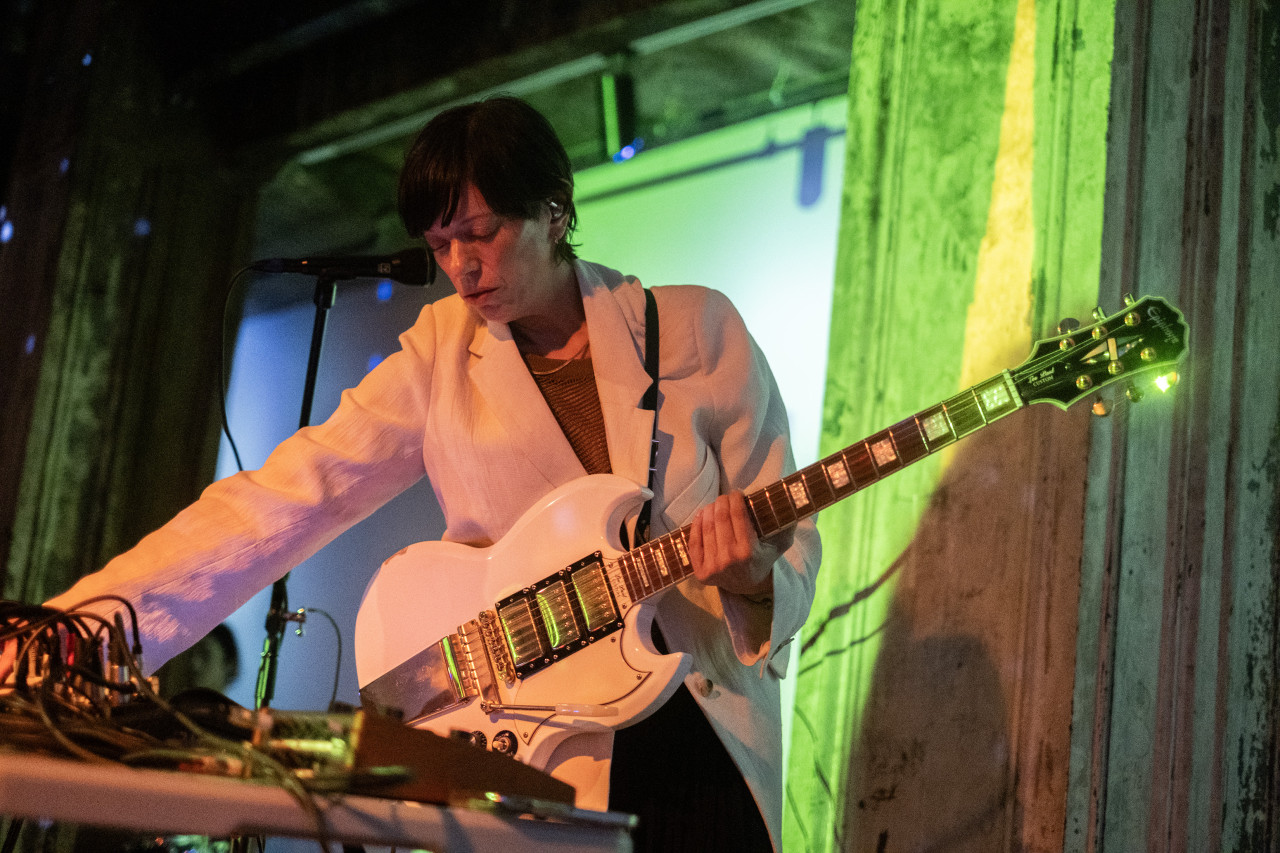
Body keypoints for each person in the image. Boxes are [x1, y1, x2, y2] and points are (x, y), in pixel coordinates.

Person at [40, 96, 821, 851]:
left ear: (555, 211)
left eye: (479, 233)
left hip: (699, 741)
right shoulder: (440, 352)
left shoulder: (695, 329)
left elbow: (790, 542)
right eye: (441, 243)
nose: (460, 267)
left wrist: (754, 579)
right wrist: (72, 633)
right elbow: (283, 499)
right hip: (543, 755)